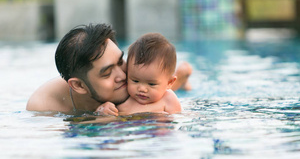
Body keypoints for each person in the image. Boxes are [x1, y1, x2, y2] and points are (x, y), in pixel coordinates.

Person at [26, 23, 192, 114]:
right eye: (107, 73)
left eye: (120, 61)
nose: (122, 75)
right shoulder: (43, 107)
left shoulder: (128, 80)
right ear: (79, 86)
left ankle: (179, 79)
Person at [96, 33, 182, 116]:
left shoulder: (168, 99)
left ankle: (182, 79)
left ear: (169, 83)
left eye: (151, 84)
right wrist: (104, 109)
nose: (142, 89)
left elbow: (179, 121)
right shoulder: (123, 97)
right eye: (135, 81)